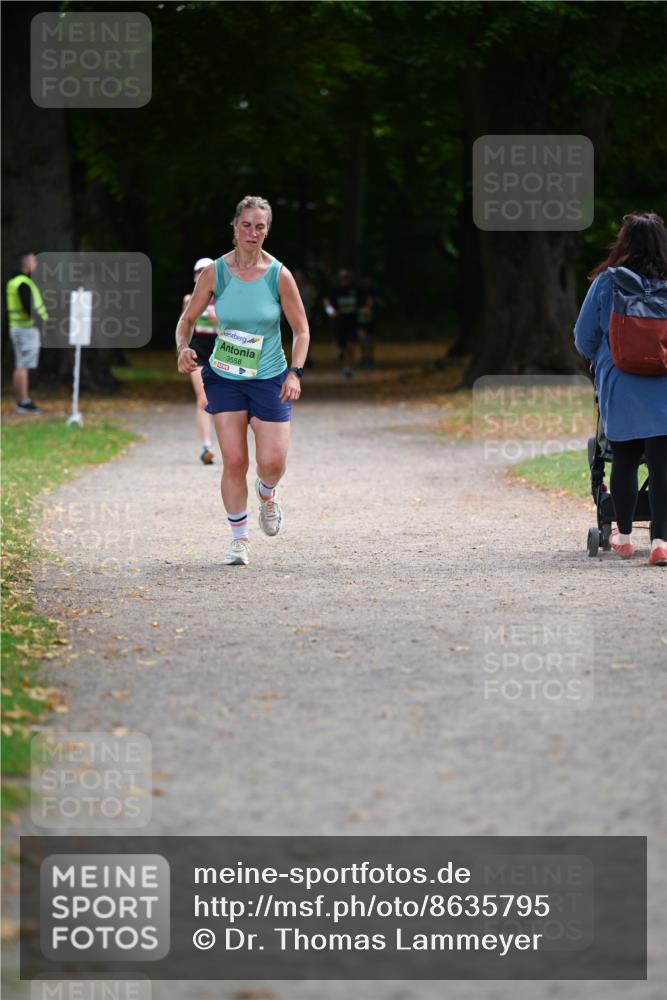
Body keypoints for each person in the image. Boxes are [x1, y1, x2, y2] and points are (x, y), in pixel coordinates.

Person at [175, 195, 309, 566]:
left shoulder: (278, 275)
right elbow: (186, 321)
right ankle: (239, 539)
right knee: (234, 461)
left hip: (269, 377)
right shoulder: (214, 273)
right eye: (246, 225)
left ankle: (267, 492)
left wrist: (295, 372)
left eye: (260, 226)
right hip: (225, 375)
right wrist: (183, 348)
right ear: (234, 227)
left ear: (268, 231)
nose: (253, 232)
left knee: (273, 463)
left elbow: (301, 330)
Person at [574, 211, 667, 566]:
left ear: (624, 242)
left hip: (620, 381)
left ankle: (624, 538)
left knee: (624, 459)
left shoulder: (607, 282)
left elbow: (584, 337)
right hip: (664, 382)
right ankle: (660, 542)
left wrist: (599, 359)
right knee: (662, 466)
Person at [181, 257, 218, 464]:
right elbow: (183, 327)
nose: (203, 275)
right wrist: (182, 350)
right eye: (200, 271)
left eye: (208, 271)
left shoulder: (225, 300)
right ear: (195, 276)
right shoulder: (189, 300)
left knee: (224, 400)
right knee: (203, 399)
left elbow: (237, 330)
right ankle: (206, 446)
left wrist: (219, 320)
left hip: (222, 351)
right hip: (198, 351)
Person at [5, 251, 49, 413]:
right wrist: (40, 322)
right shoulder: (24, 283)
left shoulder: (13, 282)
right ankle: (24, 401)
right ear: (26, 264)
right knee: (24, 365)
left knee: (19, 365)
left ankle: (21, 400)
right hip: (26, 329)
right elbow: (28, 307)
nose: (36, 264)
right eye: (34, 261)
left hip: (16, 327)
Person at [323, 267, 358, 379]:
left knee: (351, 346)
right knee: (342, 347)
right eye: (343, 278)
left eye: (347, 278)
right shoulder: (335, 289)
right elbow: (327, 302)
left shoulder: (356, 289)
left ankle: (348, 368)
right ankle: (342, 359)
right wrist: (330, 312)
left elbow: (365, 301)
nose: (345, 280)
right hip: (339, 322)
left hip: (352, 321)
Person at [357, 274, 380, 367]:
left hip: (371, 320)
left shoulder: (374, 290)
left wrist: (372, 305)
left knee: (370, 339)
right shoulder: (358, 291)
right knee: (361, 338)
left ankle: (370, 358)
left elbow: (379, 302)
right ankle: (364, 356)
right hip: (360, 319)